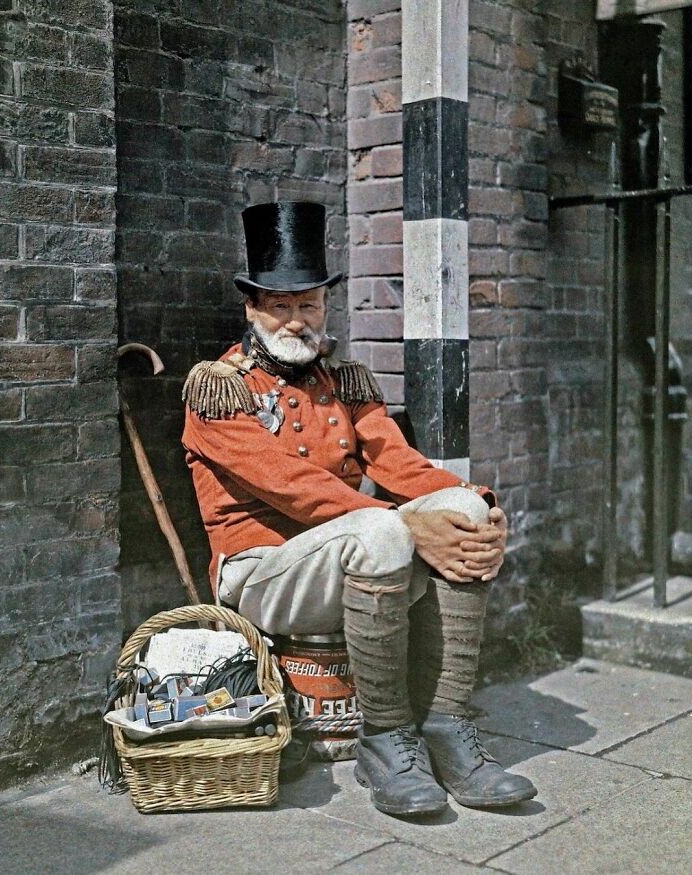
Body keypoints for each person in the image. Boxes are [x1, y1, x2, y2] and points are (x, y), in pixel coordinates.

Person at [182, 201, 537, 816]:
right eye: (282, 307)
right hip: (262, 573)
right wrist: (409, 525)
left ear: (326, 306)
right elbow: (290, 484)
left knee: (459, 511)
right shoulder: (218, 387)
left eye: (310, 306)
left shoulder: (343, 380)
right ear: (253, 309)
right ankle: (386, 740)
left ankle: (446, 727)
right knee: (380, 528)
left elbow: (397, 462)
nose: (297, 322)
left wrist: (476, 503)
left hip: (348, 555)